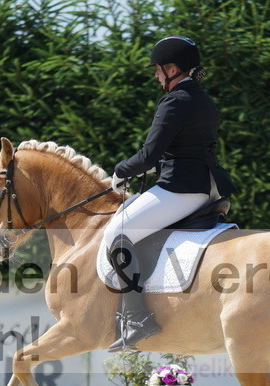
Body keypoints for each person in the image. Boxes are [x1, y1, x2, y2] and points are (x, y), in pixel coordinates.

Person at [101, 36, 237, 352]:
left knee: (117, 233)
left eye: (158, 70)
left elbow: (150, 154)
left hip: (179, 188)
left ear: (172, 69)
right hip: (206, 188)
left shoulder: (175, 101)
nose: (156, 76)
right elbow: (182, 148)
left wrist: (122, 171)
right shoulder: (203, 99)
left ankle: (137, 318)